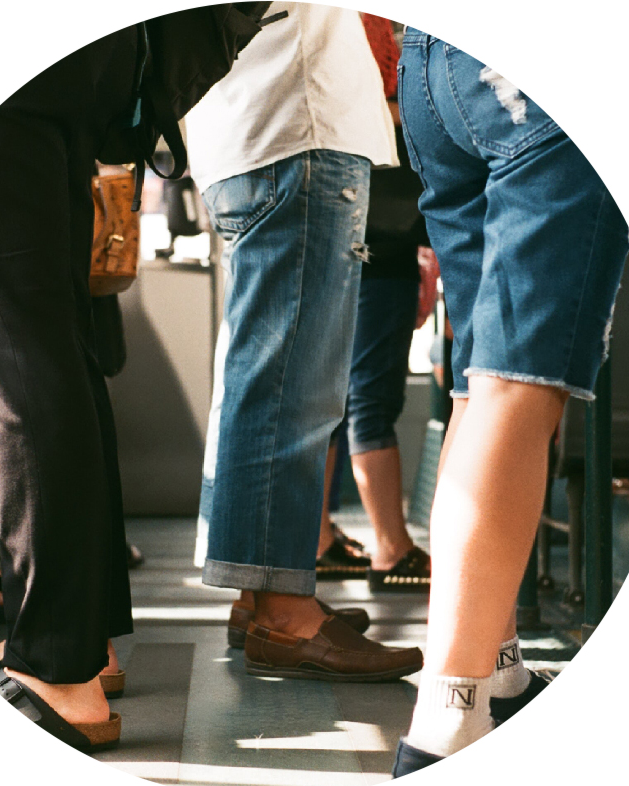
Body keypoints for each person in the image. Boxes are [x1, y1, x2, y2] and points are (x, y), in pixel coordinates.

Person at [391, 29, 629, 775]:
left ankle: (496, 670)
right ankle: (445, 724)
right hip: (543, 69)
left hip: (431, 66)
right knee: (517, 387)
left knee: (478, 386)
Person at [0, 27, 149, 752]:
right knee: (55, 345)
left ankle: (57, 663)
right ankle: (86, 644)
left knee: (17, 354)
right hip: (63, 68)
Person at [187, 3, 423, 680]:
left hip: (253, 129)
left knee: (265, 378)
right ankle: (285, 614)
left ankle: (261, 594)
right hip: (298, 124)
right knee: (297, 388)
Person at [316, 14, 436, 590]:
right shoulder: (369, 24)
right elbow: (376, 111)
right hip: (380, 235)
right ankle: (391, 546)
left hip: (345, 224)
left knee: (331, 395)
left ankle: (319, 538)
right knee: (370, 394)